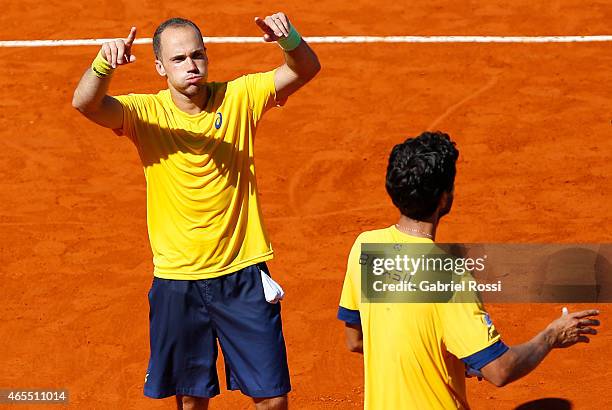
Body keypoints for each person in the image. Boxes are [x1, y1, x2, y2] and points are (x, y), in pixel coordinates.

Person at [72, 13, 320, 410]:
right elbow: (86, 103)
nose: (191, 65)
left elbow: (305, 68)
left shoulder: (240, 97)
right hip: (177, 279)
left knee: (272, 399)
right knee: (190, 400)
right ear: (159, 67)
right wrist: (103, 64)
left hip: (242, 272)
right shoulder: (145, 113)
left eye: (198, 55)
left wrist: (288, 38)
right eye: (179, 59)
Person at [337, 131, 601, 409]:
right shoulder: (449, 276)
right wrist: (550, 336)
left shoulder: (365, 247)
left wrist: (442, 357)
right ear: (443, 198)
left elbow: (355, 340)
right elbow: (500, 369)